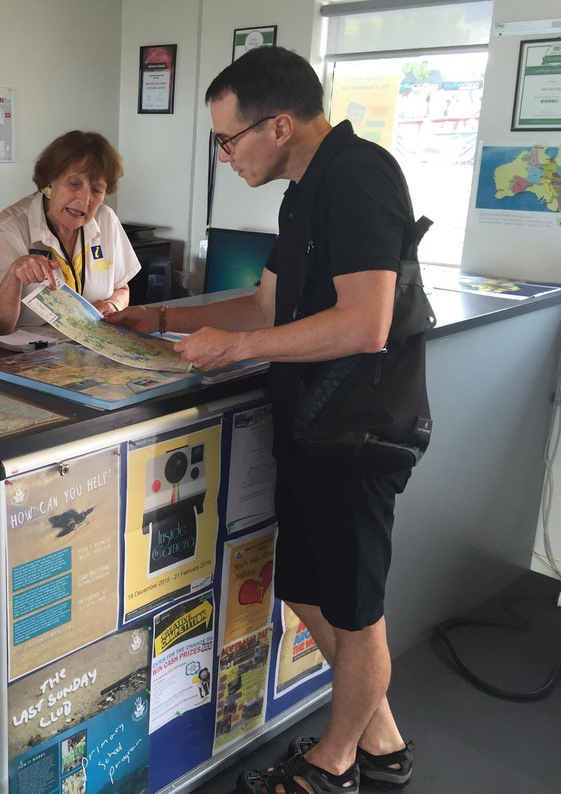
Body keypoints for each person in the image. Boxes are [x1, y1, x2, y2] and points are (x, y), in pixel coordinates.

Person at [108, 46, 419, 794]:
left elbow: (366, 323)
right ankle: (380, 738)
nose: (222, 155)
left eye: (227, 139)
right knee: (305, 590)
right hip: (312, 423)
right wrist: (157, 317)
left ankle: (336, 764)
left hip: (360, 429)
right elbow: (264, 303)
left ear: (279, 126)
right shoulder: (301, 192)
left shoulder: (360, 177)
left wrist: (239, 348)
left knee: (356, 611)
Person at [0, 131, 141, 336]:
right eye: (74, 184)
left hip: (83, 350)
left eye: (97, 189)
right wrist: (14, 274)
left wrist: (112, 306)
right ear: (51, 180)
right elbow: (0, 325)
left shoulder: (106, 220)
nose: (85, 200)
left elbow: (122, 289)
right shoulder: (11, 225)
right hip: (18, 354)